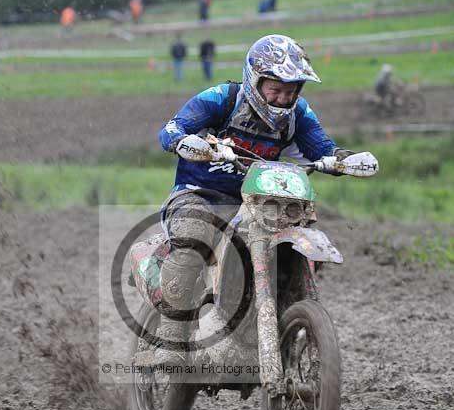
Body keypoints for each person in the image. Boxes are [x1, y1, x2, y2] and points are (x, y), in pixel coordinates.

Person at [153, 34, 359, 363]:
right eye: (275, 90)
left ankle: (284, 332)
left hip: (262, 203)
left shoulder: (298, 114)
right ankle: (171, 339)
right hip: (201, 195)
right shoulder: (222, 98)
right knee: (195, 234)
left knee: (291, 247)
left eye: (290, 92)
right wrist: (184, 141)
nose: (281, 99)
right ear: (255, 80)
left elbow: (322, 148)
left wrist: (342, 158)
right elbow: (172, 129)